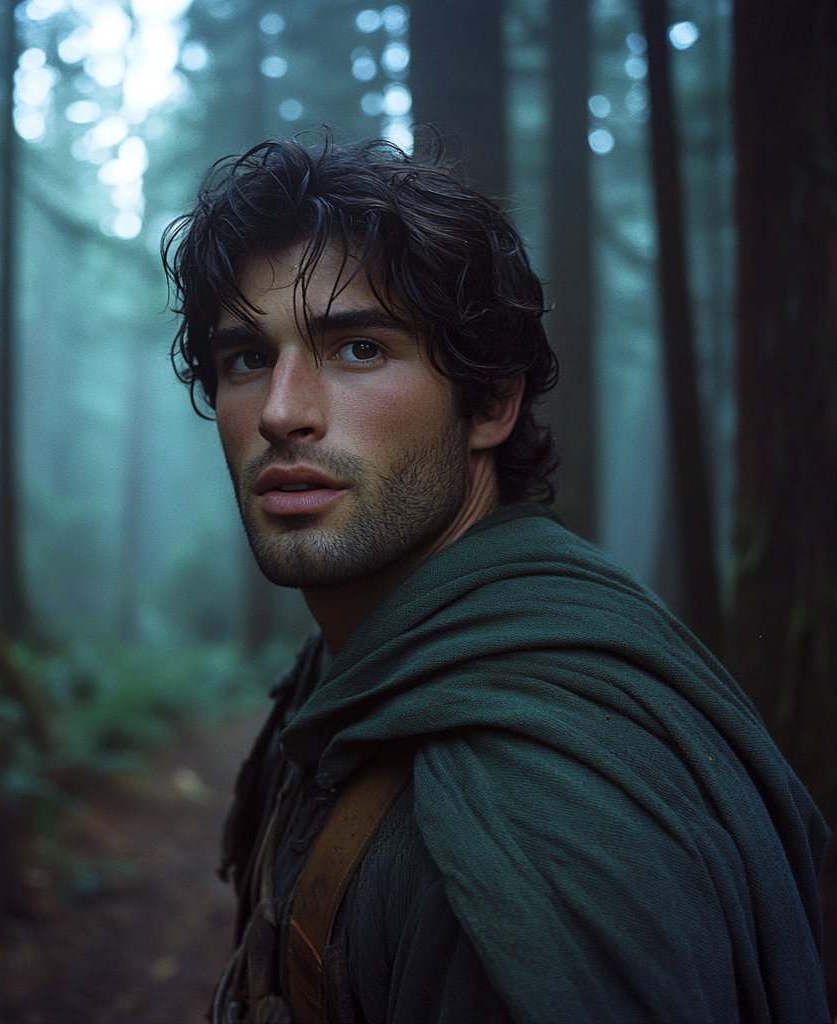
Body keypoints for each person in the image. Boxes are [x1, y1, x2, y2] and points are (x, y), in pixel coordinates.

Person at [162, 135, 830, 1023]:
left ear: (490, 402)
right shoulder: (369, 668)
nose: (282, 411)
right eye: (246, 357)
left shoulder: (530, 831)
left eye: (358, 348)